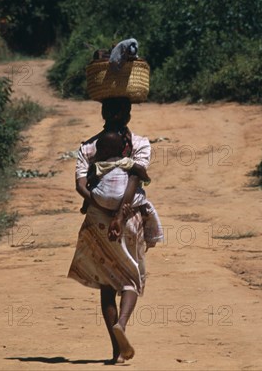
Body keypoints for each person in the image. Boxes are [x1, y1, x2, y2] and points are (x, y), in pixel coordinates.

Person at [67, 97, 161, 364]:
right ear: (127, 115)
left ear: (103, 113)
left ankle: (116, 351)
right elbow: (135, 178)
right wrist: (119, 215)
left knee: (107, 283)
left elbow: (80, 186)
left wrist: (99, 203)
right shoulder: (140, 145)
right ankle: (122, 323)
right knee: (132, 277)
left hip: (97, 220)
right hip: (128, 217)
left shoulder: (88, 148)